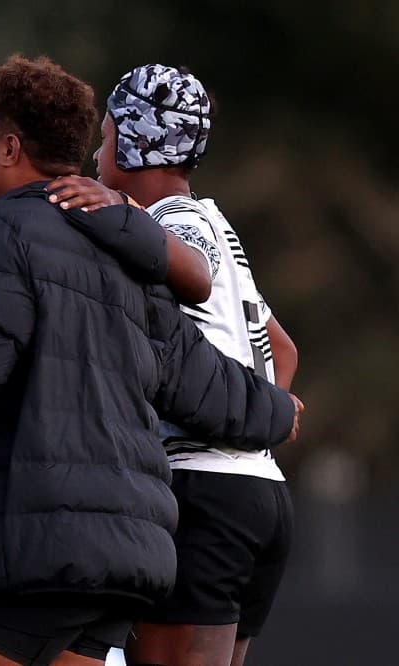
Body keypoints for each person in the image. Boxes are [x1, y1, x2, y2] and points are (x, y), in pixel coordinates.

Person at [0, 55, 301, 666]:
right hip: (127, 555)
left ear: (9, 148)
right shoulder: (127, 252)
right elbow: (197, 375)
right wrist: (275, 410)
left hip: (28, 549)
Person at [79, 64, 298, 666]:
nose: (96, 157)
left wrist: (113, 212)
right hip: (262, 492)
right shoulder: (216, 222)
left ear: (136, 139)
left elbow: (189, 288)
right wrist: (261, 417)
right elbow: (282, 349)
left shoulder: (168, 228)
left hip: (204, 492)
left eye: (104, 138)